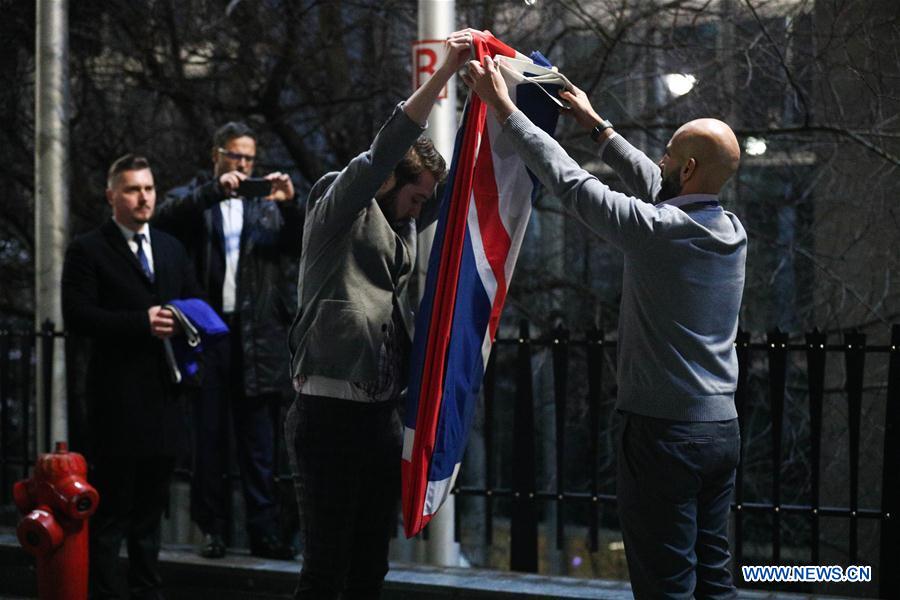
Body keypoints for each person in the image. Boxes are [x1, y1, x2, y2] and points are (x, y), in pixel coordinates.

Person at [463, 56, 746, 599]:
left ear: (686, 169)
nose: (659, 160)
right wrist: (598, 126)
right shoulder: (731, 231)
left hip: (664, 434)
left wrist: (503, 109)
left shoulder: (658, 232)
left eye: (668, 153)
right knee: (715, 579)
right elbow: (658, 185)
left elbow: (570, 184)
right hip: (721, 430)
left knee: (665, 585)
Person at [284, 29, 475, 600]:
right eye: (415, 197)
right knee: (325, 570)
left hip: (379, 419)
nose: (421, 208)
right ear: (390, 183)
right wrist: (444, 74)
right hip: (327, 415)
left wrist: (490, 98)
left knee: (370, 569)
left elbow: (463, 179)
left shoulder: (402, 225)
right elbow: (386, 149)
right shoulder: (337, 208)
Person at [154, 122, 301, 559]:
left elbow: (302, 244)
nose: (242, 165)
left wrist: (291, 207)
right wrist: (215, 191)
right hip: (208, 334)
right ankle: (213, 530)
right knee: (209, 440)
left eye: (249, 158)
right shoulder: (198, 197)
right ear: (216, 155)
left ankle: (264, 533)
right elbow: (165, 219)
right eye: (234, 156)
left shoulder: (268, 207)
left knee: (259, 446)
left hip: (259, 337)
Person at [62, 154, 203, 600]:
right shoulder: (88, 249)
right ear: (111, 196)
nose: (143, 197)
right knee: (111, 517)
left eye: (148, 188)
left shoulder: (170, 247)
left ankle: (146, 591)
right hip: (117, 403)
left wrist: (182, 321)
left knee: (149, 517)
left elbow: (194, 300)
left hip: (164, 399)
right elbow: (79, 316)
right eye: (132, 189)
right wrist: (139, 323)